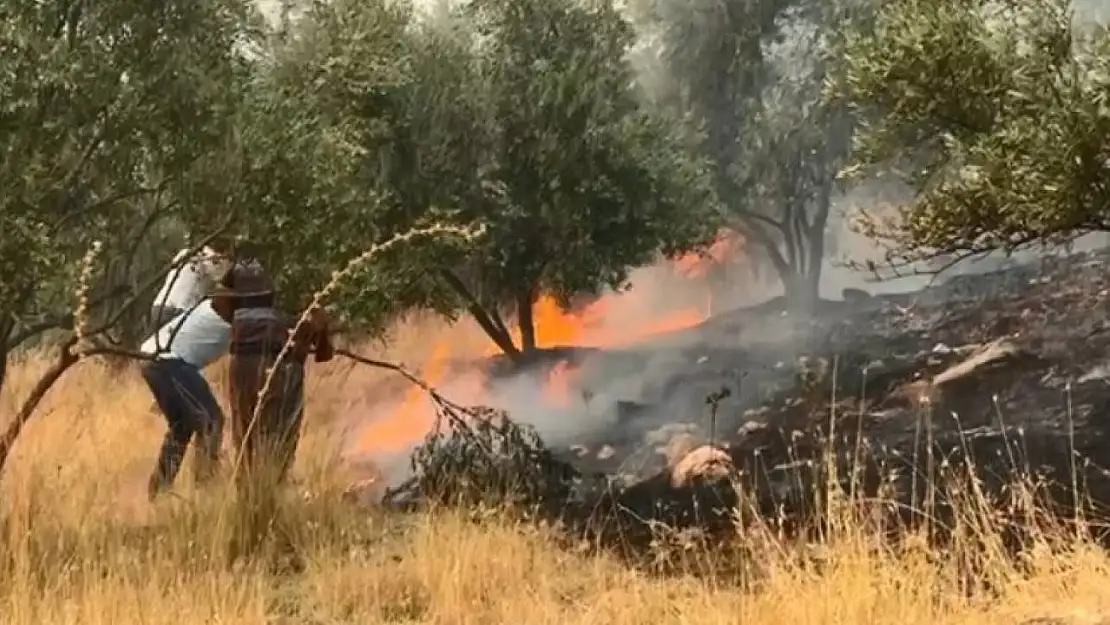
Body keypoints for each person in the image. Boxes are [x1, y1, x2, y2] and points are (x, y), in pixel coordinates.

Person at [210, 260, 334, 491]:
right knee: (278, 441)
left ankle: (251, 502)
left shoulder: (240, 316)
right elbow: (324, 354)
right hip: (278, 370)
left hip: (242, 368)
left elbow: (217, 302)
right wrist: (317, 325)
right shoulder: (296, 318)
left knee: (246, 440)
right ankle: (268, 497)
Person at [139, 296, 231, 501]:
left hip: (152, 358)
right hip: (167, 360)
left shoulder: (215, 306)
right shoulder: (228, 310)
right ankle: (205, 489)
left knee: (183, 426)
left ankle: (158, 492)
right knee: (210, 421)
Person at [150, 240, 233, 331]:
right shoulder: (216, 266)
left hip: (161, 305)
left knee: (155, 342)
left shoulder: (184, 253)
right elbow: (223, 281)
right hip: (182, 311)